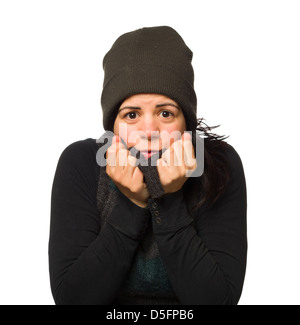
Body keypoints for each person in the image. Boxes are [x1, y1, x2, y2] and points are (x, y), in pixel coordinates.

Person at [48, 26, 247, 305]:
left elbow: (218, 300)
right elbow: (73, 299)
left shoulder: (219, 166)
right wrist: (133, 203)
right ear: (112, 128)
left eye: (165, 113)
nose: (149, 129)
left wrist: (169, 197)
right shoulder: (80, 163)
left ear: (186, 124)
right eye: (131, 115)